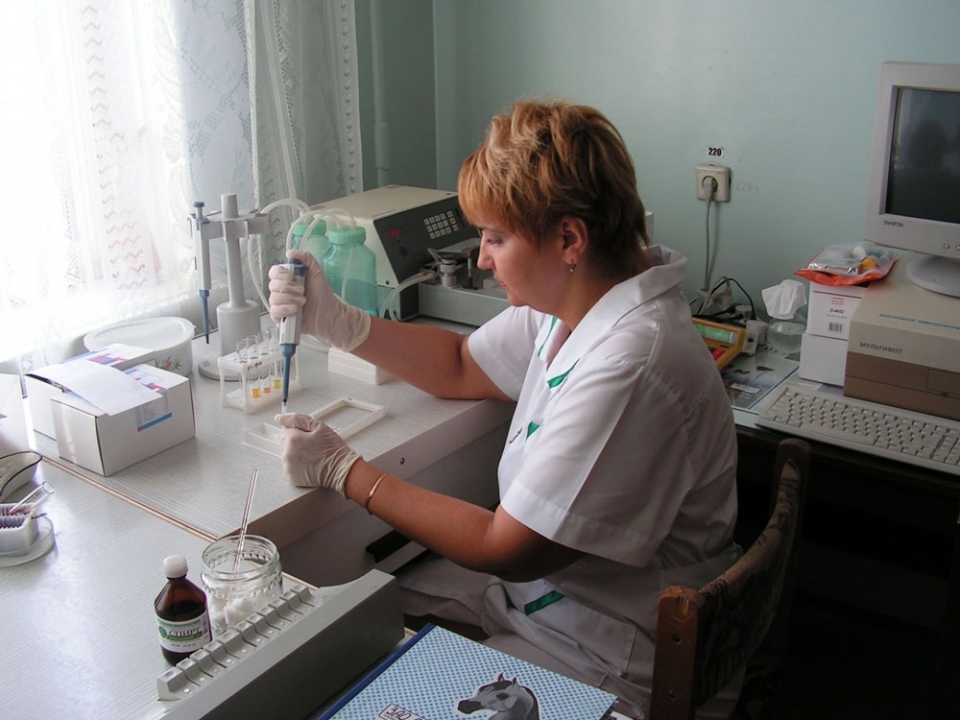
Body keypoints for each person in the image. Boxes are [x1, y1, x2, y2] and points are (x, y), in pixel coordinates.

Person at [268, 99, 741, 719]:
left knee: (358, 676)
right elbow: (460, 364)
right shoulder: (579, 303)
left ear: (568, 239)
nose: (482, 260)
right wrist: (340, 322)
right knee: (357, 615)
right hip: (558, 604)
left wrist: (346, 472)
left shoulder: (632, 363)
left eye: (495, 239)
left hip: (612, 651)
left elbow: (504, 548)